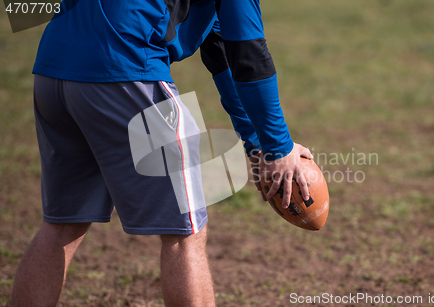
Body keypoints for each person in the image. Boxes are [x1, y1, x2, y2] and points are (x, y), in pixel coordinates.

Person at [11, 0, 312, 306]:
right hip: (128, 69)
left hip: (52, 71)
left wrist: (257, 142)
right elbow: (248, 55)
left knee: (62, 224)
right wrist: (278, 148)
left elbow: (221, 50)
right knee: (185, 236)